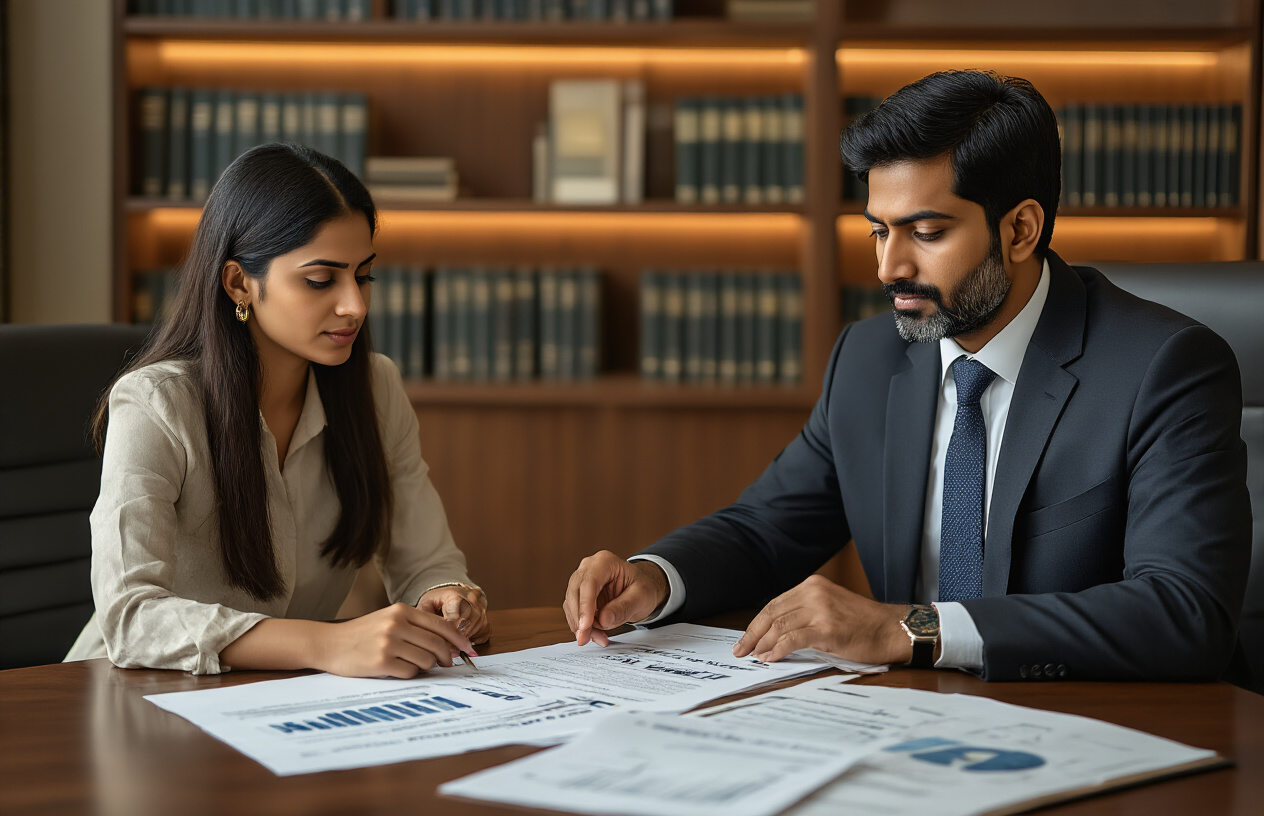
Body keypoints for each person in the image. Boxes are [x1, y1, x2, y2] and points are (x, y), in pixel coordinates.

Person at [563, 71, 1253, 682]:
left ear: (1019, 230)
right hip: (908, 722)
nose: (889, 267)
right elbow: (766, 530)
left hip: (1097, 724)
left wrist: (908, 630)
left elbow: (1184, 612)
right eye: (877, 230)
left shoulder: (1165, 367)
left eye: (925, 233)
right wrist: (656, 577)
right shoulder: (869, 357)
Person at [66, 143, 488, 677]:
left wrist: (448, 596)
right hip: (127, 694)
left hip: (276, 701)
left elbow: (426, 561)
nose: (355, 305)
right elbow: (130, 617)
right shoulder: (157, 404)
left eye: (363, 275)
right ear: (240, 282)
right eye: (320, 280)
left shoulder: (376, 387)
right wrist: (325, 646)